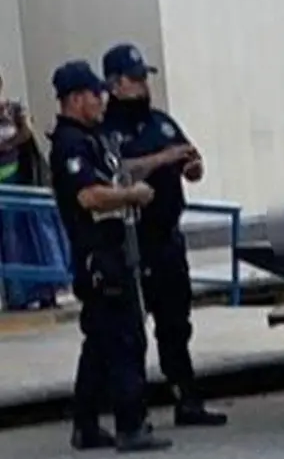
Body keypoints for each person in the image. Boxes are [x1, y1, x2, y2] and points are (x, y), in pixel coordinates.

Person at [47, 60, 172, 452]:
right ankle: (130, 425)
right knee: (124, 339)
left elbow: (115, 174)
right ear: (75, 99)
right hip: (99, 256)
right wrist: (131, 196)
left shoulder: (92, 139)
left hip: (113, 251)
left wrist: (160, 162)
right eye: (94, 95)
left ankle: (85, 425)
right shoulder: (70, 143)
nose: (102, 101)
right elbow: (89, 196)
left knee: (100, 345)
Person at [101, 43, 227, 428]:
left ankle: (186, 398)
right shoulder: (108, 129)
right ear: (115, 85)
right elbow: (117, 171)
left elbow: (189, 161)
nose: (143, 85)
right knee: (130, 330)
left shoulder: (161, 123)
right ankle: (132, 410)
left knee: (176, 322)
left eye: (145, 78)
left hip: (168, 238)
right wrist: (162, 159)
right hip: (132, 242)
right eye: (135, 79)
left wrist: (192, 165)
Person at [0, 72, 70, 310]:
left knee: (37, 233)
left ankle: (49, 289)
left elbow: (27, 132)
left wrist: (8, 142)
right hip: (4, 188)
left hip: (23, 179)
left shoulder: (13, 109)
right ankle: (18, 294)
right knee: (10, 239)